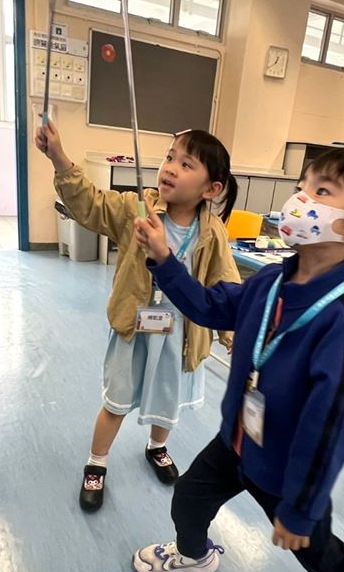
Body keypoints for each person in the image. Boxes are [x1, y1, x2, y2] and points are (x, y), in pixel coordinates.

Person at [129, 148, 344, 572]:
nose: (300, 199)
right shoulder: (269, 282)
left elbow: (330, 430)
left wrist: (301, 509)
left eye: (322, 192)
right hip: (236, 440)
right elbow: (210, 307)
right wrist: (166, 261)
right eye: (303, 185)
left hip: (288, 471)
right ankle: (194, 553)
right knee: (189, 499)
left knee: (318, 554)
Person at [35, 121, 240, 512]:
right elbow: (90, 204)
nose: (170, 168)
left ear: (211, 189)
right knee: (116, 402)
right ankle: (96, 462)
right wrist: (58, 156)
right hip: (135, 328)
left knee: (169, 399)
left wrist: (231, 334)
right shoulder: (137, 210)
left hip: (181, 336)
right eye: (170, 157)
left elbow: (226, 284)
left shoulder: (212, 232)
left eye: (186, 164)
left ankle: (157, 447)